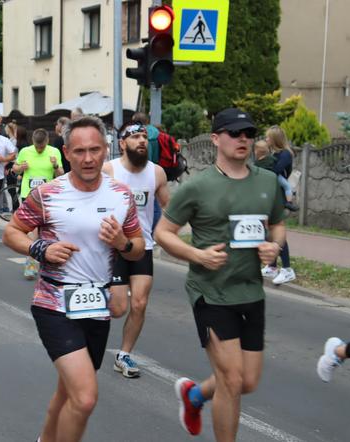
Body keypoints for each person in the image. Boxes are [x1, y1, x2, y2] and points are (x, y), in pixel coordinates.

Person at [3, 116, 144, 442]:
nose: (89, 158)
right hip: (54, 303)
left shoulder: (122, 195)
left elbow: (136, 249)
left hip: (97, 305)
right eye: (80, 151)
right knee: (85, 396)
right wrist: (40, 248)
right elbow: (12, 232)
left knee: (68, 393)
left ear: (106, 149)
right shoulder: (49, 193)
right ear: (66, 152)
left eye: (95, 150)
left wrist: (122, 243)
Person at [154, 108, 286, 441]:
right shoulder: (197, 186)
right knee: (230, 380)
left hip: (251, 291)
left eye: (248, 134)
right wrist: (196, 254)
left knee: (247, 381)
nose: (243, 139)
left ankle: (194, 396)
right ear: (216, 139)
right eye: (234, 133)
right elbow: (163, 233)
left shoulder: (268, 182)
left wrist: (274, 246)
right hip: (211, 292)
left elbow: (278, 224)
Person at [103, 122, 170, 378]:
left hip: (143, 246)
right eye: (135, 137)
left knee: (140, 304)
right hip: (112, 248)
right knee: (118, 308)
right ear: (122, 143)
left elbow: (170, 208)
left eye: (144, 136)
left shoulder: (157, 173)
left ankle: (124, 355)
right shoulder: (109, 170)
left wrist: (164, 232)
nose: (141, 140)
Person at [12, 128, 64, 279]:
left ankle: (48, 261)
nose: (39, 149)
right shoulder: (25, 151)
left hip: (49, 196)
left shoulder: (54, 151)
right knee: (32, 232)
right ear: (33, 142)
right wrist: (20, 168)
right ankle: (31, 264)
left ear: (47, 141)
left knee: (48, 231)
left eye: (41, 147)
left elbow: (61, 174)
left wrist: (55, 166)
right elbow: (14, 169)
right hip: (28, 196)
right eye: (36, 146)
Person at [261, 125, 297, 285]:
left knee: (277, 232)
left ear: (275, 139)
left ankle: (288, 270)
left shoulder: (285, 155)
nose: (266, 140)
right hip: (271, 194)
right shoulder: (274, 154)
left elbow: (275, 171)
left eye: (268, 137)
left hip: (279, 198)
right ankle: (273, 266)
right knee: (269, 231)